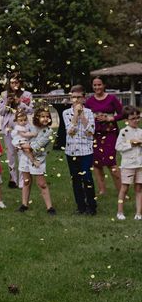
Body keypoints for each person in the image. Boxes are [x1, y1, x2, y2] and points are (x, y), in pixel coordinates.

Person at [85, 77, 123, 195]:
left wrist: (111, 118)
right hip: (95, 134)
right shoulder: (89, 101)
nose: (97, 87)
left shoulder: (112, 98)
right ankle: (102, 190)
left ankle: (121, 190)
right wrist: (92, 118)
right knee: (96, 163)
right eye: (95, 85)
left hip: (110, 133)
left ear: (104, 85)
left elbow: (124, 113)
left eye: (99, 85)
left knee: (111, 162)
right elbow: (85, 116)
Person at [16, 105, 57, 215]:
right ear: (37, 117)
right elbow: (19, 137)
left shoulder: (48, 131)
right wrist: (20, 143)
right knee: (26, 181)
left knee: (42, 184)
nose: (45, 119)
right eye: (42, 116)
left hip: (38, 159)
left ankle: (50, 207)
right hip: (25, 157)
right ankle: (24, 204)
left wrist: (22, 145)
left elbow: (36, 146)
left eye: (47, 117)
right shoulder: (30, 127)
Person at [63, 85, 97, 215]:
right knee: (76, 179)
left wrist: (82, 115)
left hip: (86, 151)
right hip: (71, 150)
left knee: (87, 178)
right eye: (73, 97)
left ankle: (92, 206)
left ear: (84, 98)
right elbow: (70, 131)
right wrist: (75, 116)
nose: (76, 100)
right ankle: (80, 206)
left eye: (79, 97)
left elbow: (90, 131)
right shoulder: (66, 113)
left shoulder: (89, 112)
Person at [0, 74, 34, 189]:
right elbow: (1, 112)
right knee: (11, 153)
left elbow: (31, 110)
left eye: (17, 83)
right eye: (12, 83)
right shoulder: (4, 95)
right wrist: (8, 103)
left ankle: (23, 179)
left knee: (22, 152)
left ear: (20, 83)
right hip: (9, 127)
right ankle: (13, 178)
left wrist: (20, 103)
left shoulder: (27, 95)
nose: (14, 85)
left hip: (22, 127)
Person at [115, 105, 142, 220]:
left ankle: (138, 213)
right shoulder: (123, 132)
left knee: (139, 188)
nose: (136, 120)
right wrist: (131, 144)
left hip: (140, 165)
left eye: (138, 117)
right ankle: (120, 212)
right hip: (127, 165)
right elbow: (118, 146)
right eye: (133, 118)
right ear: (126, 120)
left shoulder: (141, 131)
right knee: (124, 188)